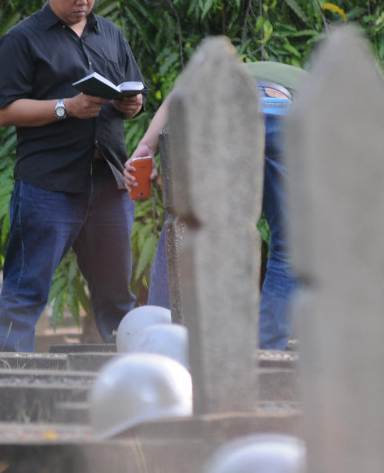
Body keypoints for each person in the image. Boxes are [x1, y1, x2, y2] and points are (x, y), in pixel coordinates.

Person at [0, 0, 146, 352]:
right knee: (25, 293)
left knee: (118, 300)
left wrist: (133, 104)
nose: (83, 0)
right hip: (48, 186)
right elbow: (4, 111)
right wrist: (66, 107)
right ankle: (8, 383)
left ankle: (130, 382)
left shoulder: (110, 33)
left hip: (108, 183)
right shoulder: (21, 40)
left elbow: (133, 91)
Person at [124, 61, 305, 350]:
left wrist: (146, 145)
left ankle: (159, 339)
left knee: (186, 224)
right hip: (288, 116)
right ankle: (265, 354)